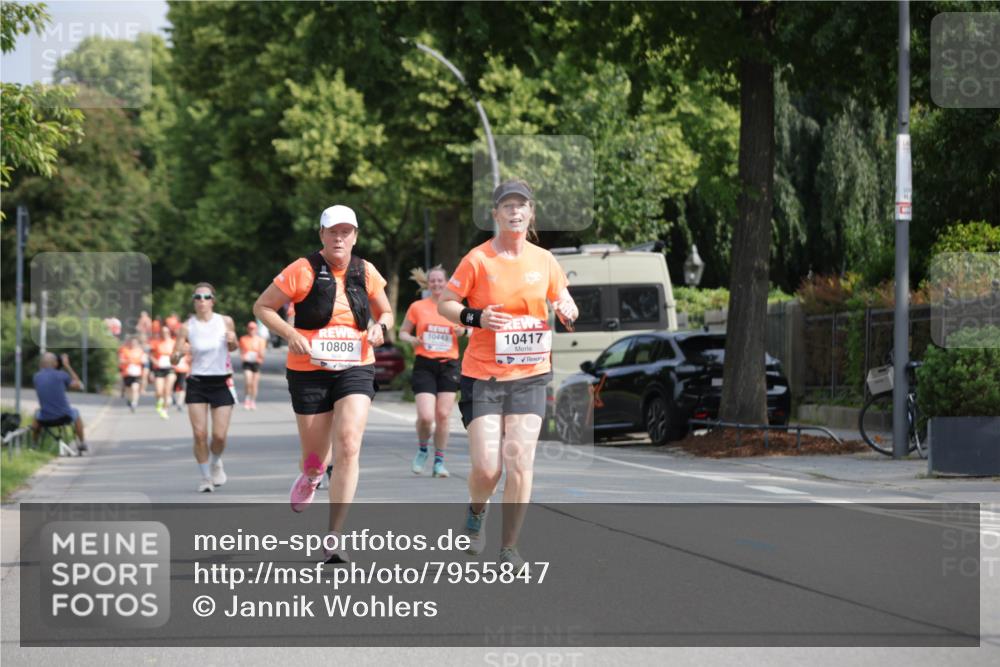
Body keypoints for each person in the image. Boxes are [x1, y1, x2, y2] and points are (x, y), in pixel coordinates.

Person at [438, 180, 578, 572]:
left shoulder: (544, 260)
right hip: (483, 376)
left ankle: (509, 547)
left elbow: (562, 297)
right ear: (495, 214)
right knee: (488, 468)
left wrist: (567, 309)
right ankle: (477, 510)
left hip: (531, 373)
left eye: (522, 206)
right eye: (507, 206)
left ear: (531, 213)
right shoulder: (478, 259)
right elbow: (447, 304)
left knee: (519, 459)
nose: (515, 212)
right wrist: (477, 317)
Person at [253, 204, 392, 562]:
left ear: (355, 236)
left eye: (346, 232)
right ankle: (313, 476)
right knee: (315, 458)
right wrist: (289, 334)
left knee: (348, 443)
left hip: (356, 365)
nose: (339, 238)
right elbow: (263, 307)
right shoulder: (302, 270)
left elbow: (386, 311)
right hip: (309, 369)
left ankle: (334, 536)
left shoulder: (367, 271)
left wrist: (381, 328)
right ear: (322, 236)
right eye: (333, 231)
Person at [398, 266, 467, 478]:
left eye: (440, 281)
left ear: (447, 283)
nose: (437, 284)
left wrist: (462, 330)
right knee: (427, 416)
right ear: (428, 284)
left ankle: (439, 461)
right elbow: (402, 333)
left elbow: (469, 329)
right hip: (425, 364)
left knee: (444, 415)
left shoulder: (456, 307)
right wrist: (413, 339)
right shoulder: (418, 307)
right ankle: (422, 449)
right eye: (433, 281)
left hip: (449, 365)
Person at [171, 283, 238, 493]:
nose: (202, 300)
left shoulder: (225, 321)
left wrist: (233, 340)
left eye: (206, 297)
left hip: (221, 381)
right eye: (197, 297)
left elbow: (233, 348)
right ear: (193, 301)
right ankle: (206, 477)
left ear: (213, 300)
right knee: (200, 434)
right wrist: (179, 353)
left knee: (219, 436)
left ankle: (216, 461)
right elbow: (173, 359)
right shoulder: (187, 326)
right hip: (197, 382)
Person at [32, 353, 87, 453]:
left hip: (45, 418)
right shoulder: (62, 375)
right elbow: (78, 385)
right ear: (56, 363)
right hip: (64, 416)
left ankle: (34, 445)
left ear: (41, 364)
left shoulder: (36, 377)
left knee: (37, 413)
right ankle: (82, 443)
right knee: (76, 412)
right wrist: (67, 365)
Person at [148, 325, 177, 419]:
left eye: (166, 332)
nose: (164, 334)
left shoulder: (174, 342)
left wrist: (175, 361)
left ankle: (165, 410)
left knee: (167, 389)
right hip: (159, 368)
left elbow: (178, 354)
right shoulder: (156, 343)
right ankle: (160, 401)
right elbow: (150, 355)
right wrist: (155, 362)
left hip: (170, 368)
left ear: (169, 332)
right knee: (159, 391)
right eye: (162, 332)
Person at [238, 321, 266, 410]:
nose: (251, 330)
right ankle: (247, 399)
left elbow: (263, 354)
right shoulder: (243, 339)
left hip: (256, 362)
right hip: (247, 362)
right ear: (247, 329)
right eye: (250, 328)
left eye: (253, 328)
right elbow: (241, 351)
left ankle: (252, 400)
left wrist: (259, 354)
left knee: (254, 384)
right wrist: (243, 357)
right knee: (248, 380)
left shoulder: (260, 340)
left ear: (256, 329)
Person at [118, 337, 146, 412]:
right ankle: (130, 400)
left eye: (135, 343)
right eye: (132, 343)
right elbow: (120, 360)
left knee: (135, 388)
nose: (133, 344)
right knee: (128, 389)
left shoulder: (140, 351)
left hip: (137, 373)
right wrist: (128, 361)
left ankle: (134, 403)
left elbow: (144, 360)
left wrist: (140, 361)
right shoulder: (124, 350)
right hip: (127, 373)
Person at [172, 345, 191, 411]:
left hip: (184, 371)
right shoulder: (176, 352)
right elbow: (171, 361)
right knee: (174, 386)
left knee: (183, 386)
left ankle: (180, 403)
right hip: (175, 371)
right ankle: (175, 399)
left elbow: (191, 362)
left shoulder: (188, 354)